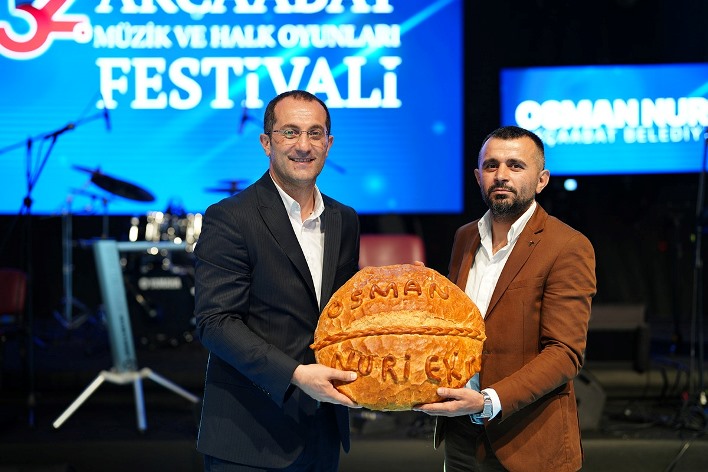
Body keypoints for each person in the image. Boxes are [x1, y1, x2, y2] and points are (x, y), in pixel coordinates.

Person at [193, 90, 361, 471]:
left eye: (315, 133)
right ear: (266, 143)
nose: (303, 145)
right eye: (290, 132)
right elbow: (215, 323)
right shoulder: (230, 217)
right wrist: (296, 375)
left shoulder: (345, 219)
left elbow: (344, 315)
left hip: (323, 432)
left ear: (329, 144)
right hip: (250, 437)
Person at [414, 126, 597, 471]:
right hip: (460, 436)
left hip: (527, 439)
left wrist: (487, 401)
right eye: (491, 165)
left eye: (515, 165)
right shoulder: (465, 237)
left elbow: (565, 353)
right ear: (477, 176)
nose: (501, 175)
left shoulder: (568, 246)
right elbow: (457, 330)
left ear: (541, 180)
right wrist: (422, 299)